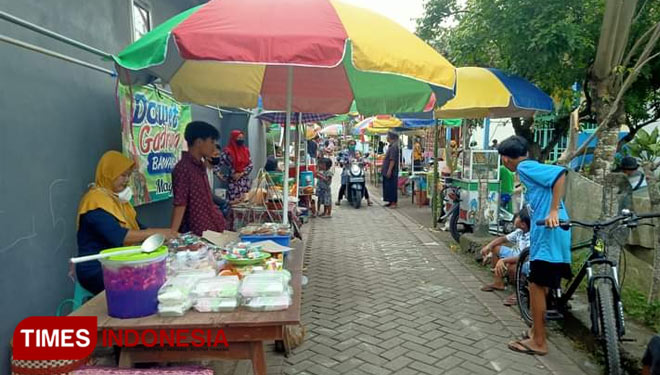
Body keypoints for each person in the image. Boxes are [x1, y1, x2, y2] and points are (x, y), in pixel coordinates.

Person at [498, 136, 571, 356]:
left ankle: (539, 341)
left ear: (505, 159)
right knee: (542, 284)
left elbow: (559, 174)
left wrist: (554, 210)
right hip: (550, 233)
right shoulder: (529, 169)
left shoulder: (525, 167)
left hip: (549, 233)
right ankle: (535, 331)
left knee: (536, 286)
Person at [76, 151, 176, 294]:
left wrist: (167, 234)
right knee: (147, 283)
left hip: (117, 263)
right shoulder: (95, 202)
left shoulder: (117, 201)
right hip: (96, 269)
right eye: (123, 175)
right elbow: (119, 236)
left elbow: (140, 228)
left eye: (128, 175)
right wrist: (157, 233)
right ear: (108, 173)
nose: (126, 180)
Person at [171, 121, 226, 236]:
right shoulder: (183, 168)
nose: (213, 147)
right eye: (211, 142)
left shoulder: (200, 166)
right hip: (197, 233)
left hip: (212, 228)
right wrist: (173, 233)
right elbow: (180, 204)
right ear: (199, 142)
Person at [480, 208, 531, 306]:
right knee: (496, 248)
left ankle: (519, 293)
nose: (515, 217)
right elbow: (503, 238)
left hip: (526, 261)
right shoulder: (519, 232)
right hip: (515, 255)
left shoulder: (531, 237)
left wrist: (504, 260)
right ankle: (498, 283)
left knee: (513, 267)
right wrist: (488, 246)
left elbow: (523, 257)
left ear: (523, 224)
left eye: (518, 217)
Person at [220, 130, 254, 203]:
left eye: (242, 138)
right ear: (233, 139)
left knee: (246, 203)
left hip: (245, 182)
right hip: (234, 183)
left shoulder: (246, 151)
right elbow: (216, 164)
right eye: (239, 138)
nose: (241, 140)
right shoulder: (227, 152)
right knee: (234, 204)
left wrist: (241, 173)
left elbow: (250, 165)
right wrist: (223, 176)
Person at [337, 139, 372, 206]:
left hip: (357, 170)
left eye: (353, 144)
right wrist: (342, 161)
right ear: (348, 145)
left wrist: (365, 161)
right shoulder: (345, 152)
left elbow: (363, 158)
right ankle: (339, 199)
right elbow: (340, 158)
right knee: (343, 184)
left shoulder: (357, 152)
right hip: (347, 170)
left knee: (363, 184)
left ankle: (368, 200)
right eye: (351, 144)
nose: (352, 146)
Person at [382, 131, 400, 208]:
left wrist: (389, 170)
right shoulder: (391, 146)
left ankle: (393, 202)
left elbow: (392, 160)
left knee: (392, 187)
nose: (387, 137)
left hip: (391, 172)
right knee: (387, 187)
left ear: (391, 137)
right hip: (387, 170)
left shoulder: (393, 147)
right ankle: (390, 201)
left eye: (388, 136)